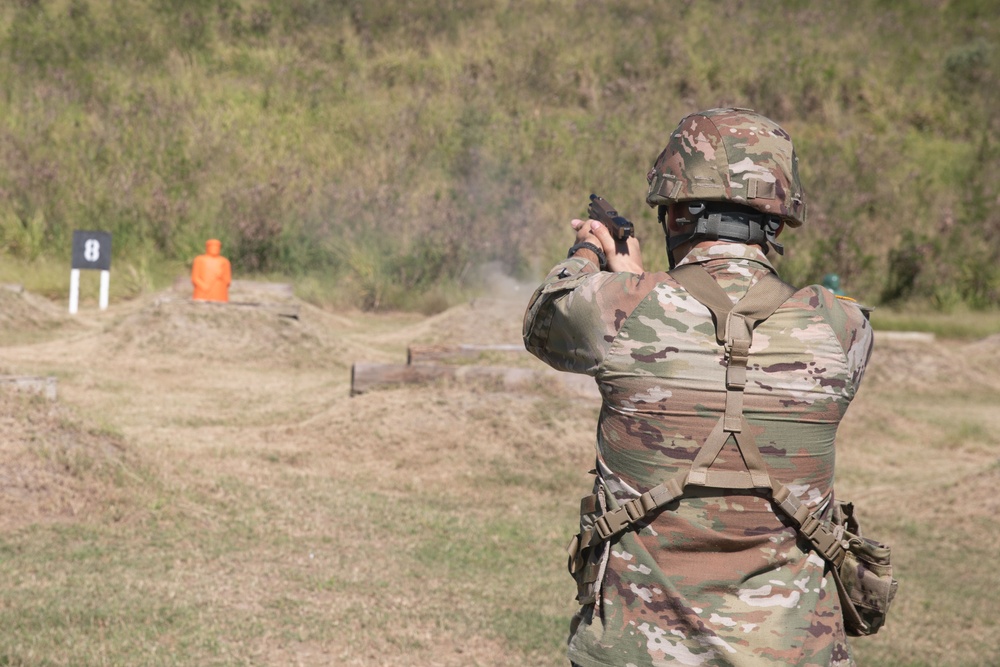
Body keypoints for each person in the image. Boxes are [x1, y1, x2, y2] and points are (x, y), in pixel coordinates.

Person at [523, 108, 873, 667]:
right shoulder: (843, 327)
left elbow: (545, 321)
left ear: (676, 214)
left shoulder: (622, 306)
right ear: (778, 222)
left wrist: (592, 253)